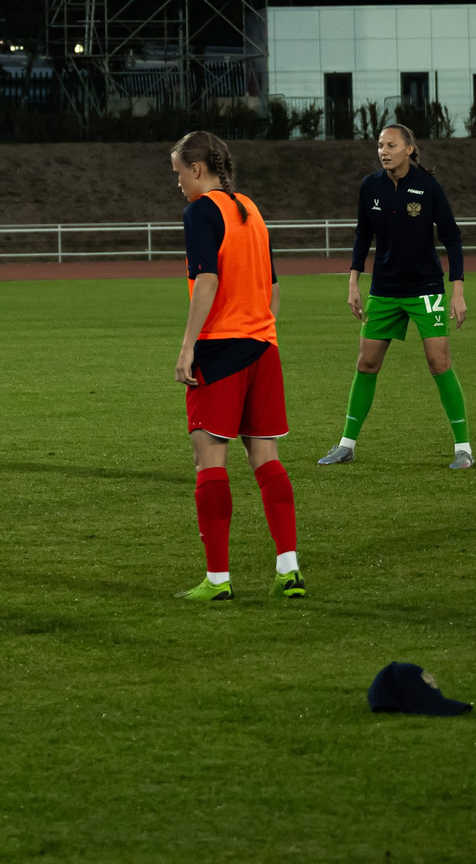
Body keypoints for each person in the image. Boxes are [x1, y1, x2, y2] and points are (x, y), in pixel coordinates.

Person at [169, 132, 303, 603]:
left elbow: (207, 280)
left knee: (210, 461)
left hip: (220, 350)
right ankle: (289, 570)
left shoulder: (200, 212)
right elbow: (274, 288)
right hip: (264, 348)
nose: (178, 183)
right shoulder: (250, 209)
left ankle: (218, 579)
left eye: (179, 173)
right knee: (266, 459)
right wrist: (260, 331)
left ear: (197, 169)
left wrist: (187, 347)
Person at [318, 125, 472, 468]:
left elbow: (452, 236)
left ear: (409, 149)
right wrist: (353, 282)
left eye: (391, 145)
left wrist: (457, 289)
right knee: (366, 363)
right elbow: (363, 235)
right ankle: (346, 445)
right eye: (380, 146)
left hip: (425, 288)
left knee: (439, 362)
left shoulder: (428, 186)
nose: (383, 152)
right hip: (384, 290)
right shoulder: (370, 186)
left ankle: (463, 448)